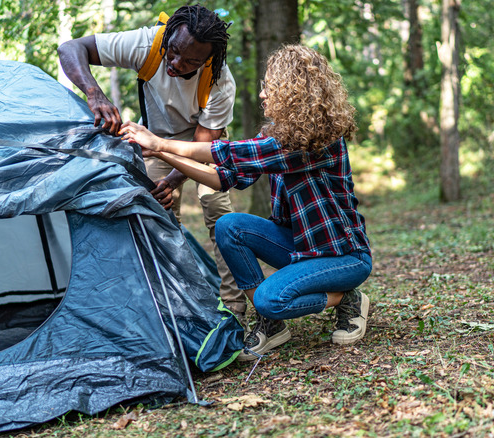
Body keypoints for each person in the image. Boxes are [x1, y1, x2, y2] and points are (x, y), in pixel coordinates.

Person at [119, 44, 373, 361]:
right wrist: (161, 153)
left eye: (270, 86)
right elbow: (222, 176)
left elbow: (229, 153)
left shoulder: (316, 142)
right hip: (300, 248)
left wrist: (159, 141)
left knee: (269, 298)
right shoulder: (278, 138)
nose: (263, 93)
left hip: (344, 257)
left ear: (291, 90)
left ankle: (346, 297)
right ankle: (273, 324)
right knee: (229, 226)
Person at [57, 5, 247, 322]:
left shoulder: (220, 81)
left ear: (208, 60)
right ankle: (177, 303)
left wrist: (171, 181)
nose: (175, 64)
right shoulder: (147, 43)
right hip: (155, 138)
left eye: (190, 62)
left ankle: (234, 305)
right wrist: (95, 94)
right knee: (157, 217)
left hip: (202, 143)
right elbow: (70, 48)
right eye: (172, 52)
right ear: (168, 36)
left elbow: (202, 143)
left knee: (217, 211)